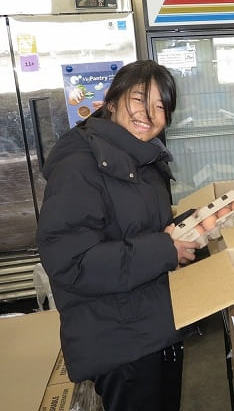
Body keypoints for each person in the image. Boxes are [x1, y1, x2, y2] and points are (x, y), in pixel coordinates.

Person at [36, 60, 199, 411]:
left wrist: (191, 227)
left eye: (160, 106)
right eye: (139, 99)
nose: (149, 114)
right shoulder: (80, 165)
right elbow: (72, 262)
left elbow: (139, 231)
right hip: (120, 344)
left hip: (154, 328)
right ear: (112, 101)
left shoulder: (144, 159)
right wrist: (165, 250)